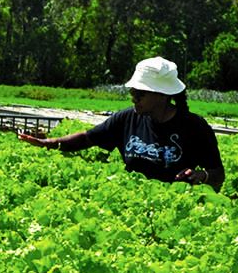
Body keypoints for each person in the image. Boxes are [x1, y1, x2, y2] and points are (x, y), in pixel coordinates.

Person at [18, 56, 225, 188]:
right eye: (133, 91)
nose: (134, 97)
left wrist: (201, 176)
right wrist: (49, 143)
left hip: (175, 211)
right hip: (132, 204)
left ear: (162, 95)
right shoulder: (127, 118)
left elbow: (218, 174)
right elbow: (87, 138)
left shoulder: (195, 127)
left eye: (140, 93)